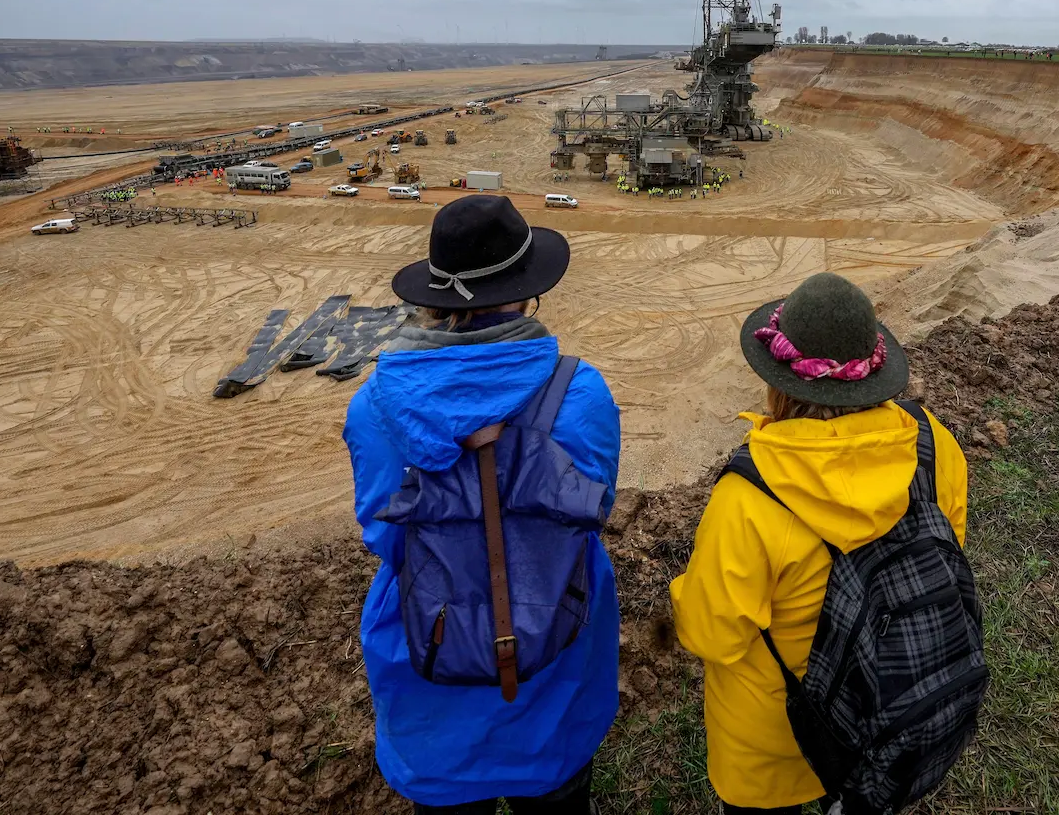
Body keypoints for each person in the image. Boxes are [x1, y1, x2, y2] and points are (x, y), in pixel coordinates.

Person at [346, 195, 622, 815]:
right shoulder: (580, 391)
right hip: (556, 650)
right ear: (528, 294)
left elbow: (384, 537)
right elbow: (593, 511)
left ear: (432, 298)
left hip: (428, 658)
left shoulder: (375, 405)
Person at [670, 273, 970, 815]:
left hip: (774, 739)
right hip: (884, 702)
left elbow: (712, 635)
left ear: (779, 381)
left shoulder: (751, 497)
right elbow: (950, 543)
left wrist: (682, 592)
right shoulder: (932, 444)